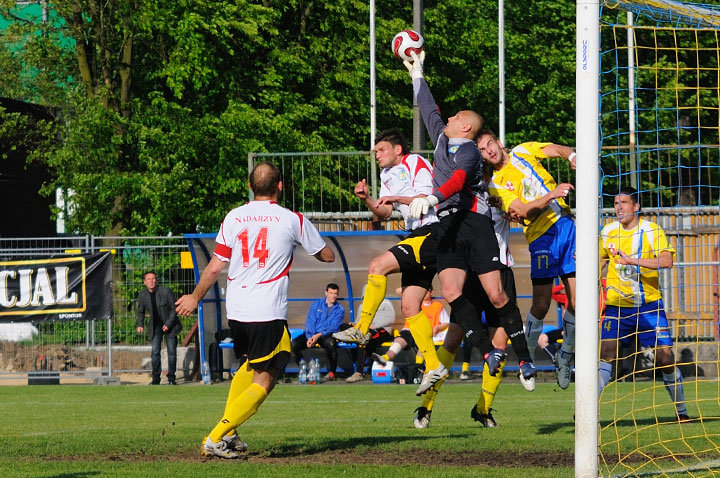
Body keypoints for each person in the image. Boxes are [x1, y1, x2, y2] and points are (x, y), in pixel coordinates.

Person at [175, 161, 335, 459]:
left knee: (249, 367)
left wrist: (195, 298)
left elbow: (215, 266)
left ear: (250, 187)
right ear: (280, 186)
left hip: (237, 309)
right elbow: (326, 255)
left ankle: (230, 434)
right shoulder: (291, 219)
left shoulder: (234, 217)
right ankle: (216, 435)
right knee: (267, 377)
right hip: (267, 310)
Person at [403, 51, 536, 389]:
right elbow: (429, 109)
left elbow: (459, 179)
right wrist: (418, 74)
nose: (449, 116)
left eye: (457, 115)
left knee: (496, 295)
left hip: (474, 224)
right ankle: (488, 352)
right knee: (449, 290)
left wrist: (432, 197)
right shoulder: (442, 139)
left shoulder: (470, 152)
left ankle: (524, 358)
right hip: (448, 225)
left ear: (465, 126)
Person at [331, 128, 449, 396]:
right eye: (376, 153)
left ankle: (361, 329)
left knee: (377, 266)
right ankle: (434, 366)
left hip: (432, 230)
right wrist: (368, 199)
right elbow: (384, 212)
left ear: (398, 149)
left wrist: (396, 198)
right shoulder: (387, 174)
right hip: (417, 234)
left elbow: (424, 200)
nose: (378, 156)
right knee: (409, 306)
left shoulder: (415, 162)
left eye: (381, 150)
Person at [477, 129, 577, 389]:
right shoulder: (495, 184)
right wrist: (551, 195)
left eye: (490, 144)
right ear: (483, 159)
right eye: (483, 151)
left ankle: (565, 356)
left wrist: (573, 156)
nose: (489, 151)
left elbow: (554, 148)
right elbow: (521, 210)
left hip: (567, 226)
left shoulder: (523, 150)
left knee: (579, 303)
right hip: (541, 235)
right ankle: (527, 359)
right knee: (541, 305)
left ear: (498, 142)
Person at [598, 186, 689, 421]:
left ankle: (681, 411)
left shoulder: (651, 230)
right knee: (606, 353)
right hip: (617, 305)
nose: (619, 208)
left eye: (624, 203)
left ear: (636, 206)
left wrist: (633, 261)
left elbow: (667, 260)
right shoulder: (607, 231)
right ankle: (587, 412)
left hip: (649, 304)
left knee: (664, 359)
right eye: (616, 203)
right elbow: (600, 260)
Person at [371, 288, 448, 367]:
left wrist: (437, 328)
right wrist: (416, 288)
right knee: (399, 340)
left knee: (424, 342)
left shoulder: (438, 306)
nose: (424, 293)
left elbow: (446, 322)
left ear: (431, 292)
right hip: (410, 330)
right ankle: (385, 358)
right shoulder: (414, 303)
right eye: (422, 290)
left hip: (426, 333)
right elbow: (398, 291)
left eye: (426, 290)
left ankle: (417, 366)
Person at [291, 283, 345, 381]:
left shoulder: (340, 309)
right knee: (294, 344)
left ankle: (332, 372)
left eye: (335, 293)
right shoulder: (316, 304)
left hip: (326, 335)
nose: (333, 296)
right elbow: (310, 321)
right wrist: (310, 337)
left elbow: (333, 327)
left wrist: (318, 335)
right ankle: (303, 370)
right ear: (326, 293)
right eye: (331, 293)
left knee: (331, 344)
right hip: (311, 334)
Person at [136, 271, 182, 385]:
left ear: (156, 280)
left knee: (171, 352)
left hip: (170, 326)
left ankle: (172, 378)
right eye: (149, 279)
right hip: (155, 327)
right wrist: (140, 324)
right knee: (155, 352)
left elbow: (174, 309)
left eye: (153, 278)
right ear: (145, 282)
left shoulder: (166, 292)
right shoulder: (142, 295)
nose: (151, 281)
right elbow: (140, 311)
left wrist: (168, 324)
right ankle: (156, 379)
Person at [344, 286, 395, 383]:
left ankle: (359, 373)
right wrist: (355, 324)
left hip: (382, 330)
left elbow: (390, 319)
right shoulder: (362, 306)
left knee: (363, 340)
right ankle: (363, 366)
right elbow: (359, 320)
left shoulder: (385, 302)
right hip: (366, 331)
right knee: (345, 327)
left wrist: (374, 326)